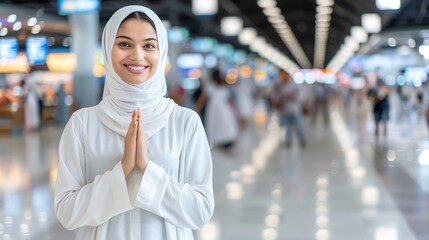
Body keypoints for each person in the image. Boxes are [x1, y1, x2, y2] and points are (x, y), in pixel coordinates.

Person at [54, 5, 214, 240]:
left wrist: (148, 172)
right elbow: (67, 212)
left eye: (149, 45)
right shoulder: (83, 123)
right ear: (108, 50)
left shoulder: (184, 122)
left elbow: (200, 210)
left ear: (162, 52)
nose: (137, 56)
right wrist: (123, 171)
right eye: (124, 44)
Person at [205, 69, 239, 149]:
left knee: (218, 125)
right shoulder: (217, 85)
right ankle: (221, 141)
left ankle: (221, 141)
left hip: (217, 109)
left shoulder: (213, 86)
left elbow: (204, 98)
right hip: (222, 109)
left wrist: (197, 107)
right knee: (224, 124)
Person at [272, 68, 306, 148]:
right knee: (286, 127)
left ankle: (302, 139)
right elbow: (275, 98)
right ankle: (288, 141)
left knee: (298, 126)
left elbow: (301, 96)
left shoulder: (295, 85)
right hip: (284, 110)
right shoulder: (278, 86)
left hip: (295, 110)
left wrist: (291, 97)